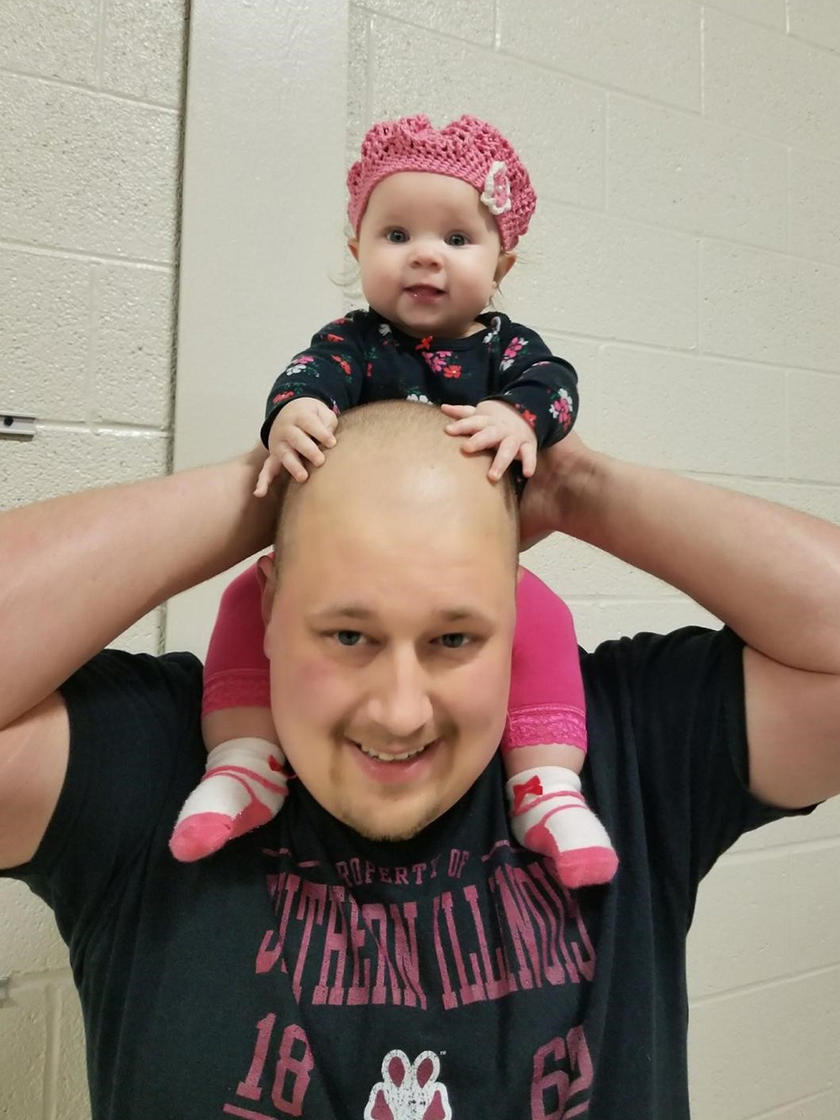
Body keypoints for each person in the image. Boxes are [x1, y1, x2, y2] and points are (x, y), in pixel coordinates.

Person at [2, 399, 840, 1119]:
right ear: (266, 611)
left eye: (454, 638)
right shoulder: (157, 768)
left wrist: (582, 488)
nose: (400, 713)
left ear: (517, 616)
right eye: (347, 635)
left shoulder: (617, 748)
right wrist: (270, 489)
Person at [169, 114, 617, 891]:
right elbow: (307, 379)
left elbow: (557, 388)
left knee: (543, 617)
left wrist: (521, 419)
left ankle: (544, 778)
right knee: (248, 599)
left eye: (456, 239)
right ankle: (244, 757)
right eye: (397, 233)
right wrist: (291, 417)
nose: (425, 256)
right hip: (345, 547)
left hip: (479, 562)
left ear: (503, 262)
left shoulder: (509, 352)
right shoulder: (351, 343)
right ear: (356, 251)